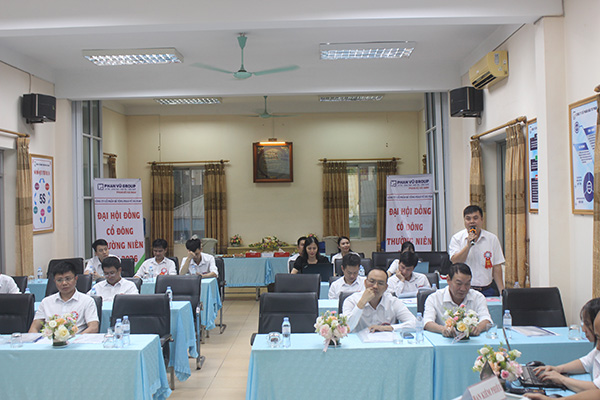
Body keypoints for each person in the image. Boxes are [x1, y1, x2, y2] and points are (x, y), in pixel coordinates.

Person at [529, 298, 600, 394]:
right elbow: (585, 363)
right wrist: (558, 369)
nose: (583, 330)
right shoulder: (598, 350)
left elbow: (596, 390)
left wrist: (562, 379)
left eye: (587, 324)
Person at [448, 205, 505, 296]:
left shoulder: (492, 239)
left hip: (487, 290)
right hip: (465, 290)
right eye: (468, 219)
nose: (472, 222)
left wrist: (502, 292)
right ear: (464, 221)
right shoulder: (457, 239)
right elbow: (455, 261)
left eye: (475, 218)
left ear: (482, 220)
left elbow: (496, 267)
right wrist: (468, 246)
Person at [29, 261, 99, 334]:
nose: (64, 283)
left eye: (68, 279)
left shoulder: (87, 301)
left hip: (78, 339)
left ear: (76, 279)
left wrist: (76, 339)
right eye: (59, 280)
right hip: (50, 340)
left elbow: (93, 327)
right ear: (54, 281)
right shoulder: (46, 302)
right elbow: (34, 328)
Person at [423, 263, 491, 337]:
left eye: (467, 284)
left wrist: (478, 328)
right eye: (459, 284)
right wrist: (443, 329)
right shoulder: (434, 298)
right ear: (448, 280)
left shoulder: (478, 297)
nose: (463, 289)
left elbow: (486, 319)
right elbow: (427, 322)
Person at [343, 268, 416, 333]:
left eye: (380, 283)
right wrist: (362, 303)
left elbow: (415, 323)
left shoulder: (393, 301)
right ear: (365, 283)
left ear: (386, 287)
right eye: (372, 281)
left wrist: (387, 328)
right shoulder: (351, 300)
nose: (375, 286)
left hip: (386, 342)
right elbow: (347, 328)